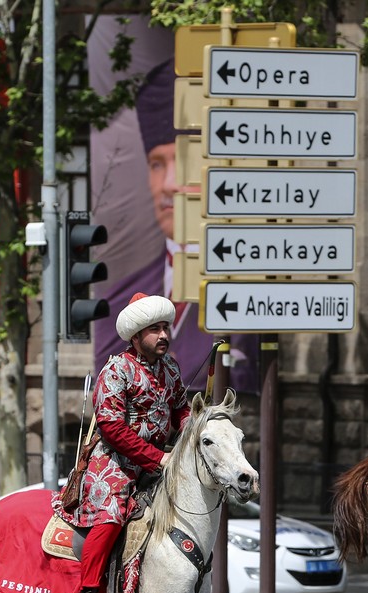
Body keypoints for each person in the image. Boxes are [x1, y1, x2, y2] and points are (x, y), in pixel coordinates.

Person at [93, 58, 258, 394]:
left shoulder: (256, 289)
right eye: (157, 164)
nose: (168, 183)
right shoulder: (118, 297)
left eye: (184, 163)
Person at [58, 292, 191, 593]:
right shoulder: (117, 369)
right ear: (136, 336)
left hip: (159, 461)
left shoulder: (171, 367)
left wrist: (194, 429)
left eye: (165, 327)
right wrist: (156, 458)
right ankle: (88, 592)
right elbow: (111, 426)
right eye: (155, 329)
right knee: (113, 512)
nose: (164, 335)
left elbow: (180, 410)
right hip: (114, 464)